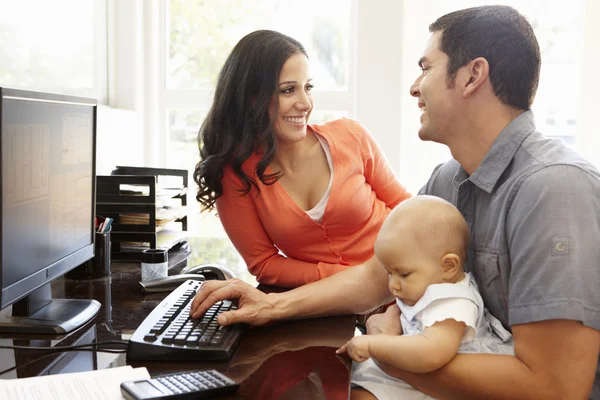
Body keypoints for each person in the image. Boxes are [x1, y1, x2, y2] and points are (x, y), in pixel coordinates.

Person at [191, 6, 600, 399]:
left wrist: (384, 351)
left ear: (473, 75)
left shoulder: (554, 189)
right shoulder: (448, 179)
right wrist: (271, 307)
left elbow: (556, 389)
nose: (414, 86)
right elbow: (375, 277)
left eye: (425, 68)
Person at [193, 30, 410, 288]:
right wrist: (347, 281)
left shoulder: (351, 135)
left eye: (308, 87)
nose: (305, 103)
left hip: (404, 282)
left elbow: (405, 208)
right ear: (252, 99)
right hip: (331, 305)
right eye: (288, 90)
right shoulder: (235, 175)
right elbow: (264, 264)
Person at [337, 195, 513, 399]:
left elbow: (431, 352)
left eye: (403, 274)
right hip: (417, 374)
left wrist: (372, 344)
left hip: (441, 385)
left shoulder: (452, 302)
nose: (393, 285)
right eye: (389, 273)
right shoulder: (432, 285)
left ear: (448, 266)